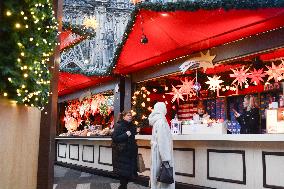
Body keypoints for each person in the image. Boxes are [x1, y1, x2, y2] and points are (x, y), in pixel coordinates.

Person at [148, 102, 175, 189]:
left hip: (156, 154)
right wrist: (166, 159)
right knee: (163, 182)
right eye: (165, 107)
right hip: (161, 155)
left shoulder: (156, 121)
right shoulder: (161, 122)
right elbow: (163, 142)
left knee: (157, 177)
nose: (166, 109)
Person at [112, 111, 138, 189]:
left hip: (131, 153)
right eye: (128, 115)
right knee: (124, 174)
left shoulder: (133, 126)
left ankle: (123, 186)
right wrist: (125, 135)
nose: (130, 116)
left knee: (128, 173)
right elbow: (115, 138)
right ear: (123, 117)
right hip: (123, 154)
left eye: (131, 115)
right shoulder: (120, 126)